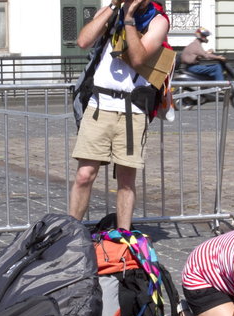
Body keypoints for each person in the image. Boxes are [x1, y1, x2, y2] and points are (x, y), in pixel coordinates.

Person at [68, 0, 169, 229]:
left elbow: (137, 59)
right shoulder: (111, 12)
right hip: (99, 106)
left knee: (126, 180)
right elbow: (83, 41)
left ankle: (123, 237)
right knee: (84, 174)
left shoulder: (158, 21)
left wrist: (130, 19)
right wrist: (114, 8)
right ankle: (71, 234)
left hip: (132, 110)